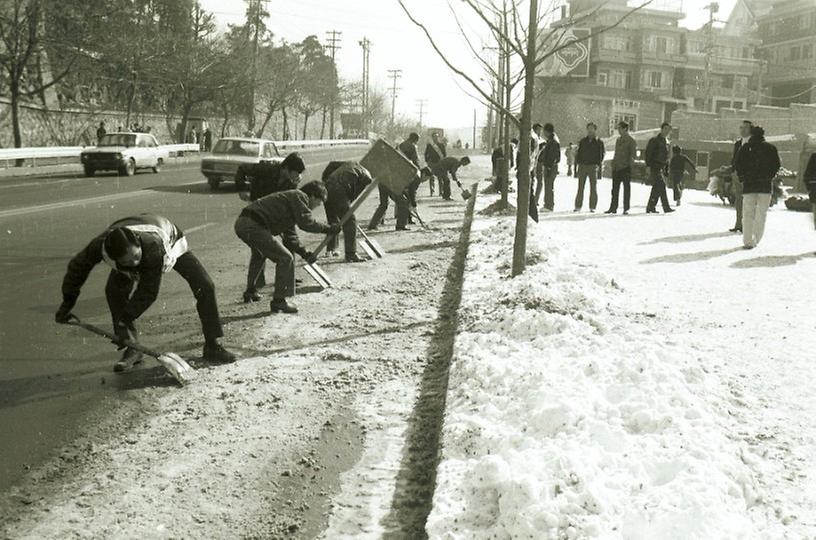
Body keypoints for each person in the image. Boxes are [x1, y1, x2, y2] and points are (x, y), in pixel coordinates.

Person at [55, 214, 236, 371]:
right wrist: (67, 304)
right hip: (136, 239)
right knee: (114, 291)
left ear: (138, 243)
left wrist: (124, 318)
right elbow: (76, 270)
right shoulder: (99, 247)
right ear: (112, 257)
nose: (134, 263)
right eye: (127, 261)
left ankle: (213, 344)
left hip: (171, 241)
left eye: (135, 257)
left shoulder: (152, 247)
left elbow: (148, 292)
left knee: (205, 285)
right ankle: (132, 348)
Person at [234, 182, 340, 314]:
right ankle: (279, 301)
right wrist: (329, 228)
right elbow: (306, 223)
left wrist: (305, 253)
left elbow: (290, 238)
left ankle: (250, 291)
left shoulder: (292, 203)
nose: (317, 206)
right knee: (285, 258)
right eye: (319, 202)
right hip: (253, 225)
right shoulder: (300, 196)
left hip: (243, 223)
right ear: (312, 196)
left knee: (259, 254)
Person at [240, 152, 306, 302]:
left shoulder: (292, 181)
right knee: (259, 251)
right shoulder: (266, 167)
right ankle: (253, 288)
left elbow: (290, 202)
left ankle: (288, 277)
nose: (297, 177)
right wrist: (242, 188)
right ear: (286, 168)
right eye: (296, 173)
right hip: (259, 210)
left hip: (276, 212)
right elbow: (242, 169)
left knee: (288, 238)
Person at [734, 125, 780, 249]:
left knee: (748, 213)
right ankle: (756, 239)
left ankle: (747, 240)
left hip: (749, 185)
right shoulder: (771, 148)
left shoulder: (745, 148)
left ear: (752, 134)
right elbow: (777, 165)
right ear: (763, 134)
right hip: (765, 186)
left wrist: (743, 177)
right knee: (761, 214)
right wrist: (769, 176)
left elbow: (738, 164)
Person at [322, 161, 372, 262]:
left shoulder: (351, 163)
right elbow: (355, 193)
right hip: (338, 191)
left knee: (333, 221)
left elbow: (331, 165)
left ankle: (331, 249)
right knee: (350, 220)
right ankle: (351, 253)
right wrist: (348, 208)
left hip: (326, 188)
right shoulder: (367, 177)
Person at [606, 121, 637, 215]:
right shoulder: (618, 140)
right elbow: (616, 153)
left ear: (625, 129)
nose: (618, 130)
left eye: (620, 128)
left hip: (625, 168)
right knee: (615, 189)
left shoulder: (631, 141)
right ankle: (613, 207)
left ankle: (626, 208)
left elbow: (633, 155)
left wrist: (629, 167)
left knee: (626, 189)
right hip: (617, 167)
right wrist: (613, 163)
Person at [574, 122, 605, 212]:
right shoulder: (583, 141)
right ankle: (578, 206)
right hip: (583, 166)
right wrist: (578, 165)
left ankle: (592, 206)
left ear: (595, 130)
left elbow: (601, 155)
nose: (590, 131)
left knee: (593, 187)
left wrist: (598, 166)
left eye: (592, 129)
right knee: (580, 187)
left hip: (593, 166)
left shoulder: (599, 142)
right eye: (588, 129)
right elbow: (578, 154)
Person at [645, 122, 675, 214]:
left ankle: (651, 207)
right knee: (661, 186)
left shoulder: (667, 142)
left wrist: (666, 168)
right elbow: (648, 153)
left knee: (656, 187)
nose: (667, 131)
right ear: (661, 129)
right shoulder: (654, 140)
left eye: (669, 130)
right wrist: (648, 166)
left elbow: (667, 157)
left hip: (661, 167)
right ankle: (666, 207)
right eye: (665, 129)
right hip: (654, 165)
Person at [730, 120, 753, 232]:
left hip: (749, 177)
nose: (743, 130)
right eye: (741, 127)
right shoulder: (738, 143)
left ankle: (747, 226)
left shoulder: (755, 143)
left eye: (746, 128)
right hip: (737, 176)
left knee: (748, 202)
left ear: (751, 130)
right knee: (738, 200)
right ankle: (738, 224)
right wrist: (733, 170)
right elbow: (734, 159)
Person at [398, 133, 422, 224]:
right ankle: (408, 219)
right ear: (415, 139)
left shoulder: (401, 145)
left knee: (402, 194)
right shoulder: (413, 147)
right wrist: (418, 171)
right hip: (408, 172)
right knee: (409, 195)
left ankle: (400, 216)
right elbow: (415, 160)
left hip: (399, 171)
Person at [538, 123, 560, 212]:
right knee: (548, 185)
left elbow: (552, 156)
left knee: (548, 185)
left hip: (550, 166)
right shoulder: (552, 140)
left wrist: (549, 167)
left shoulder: (552, 141)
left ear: (547, 131)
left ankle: (549, 205)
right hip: (550, 166)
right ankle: (548, 204)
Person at [424, 132, 446, 196]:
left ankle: (441, 192)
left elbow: (444, 155)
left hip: (439, 163)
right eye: (434, 137)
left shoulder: (441, 145)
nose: (435, 138)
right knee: (431, 178)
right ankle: (432, 191)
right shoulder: (429, 145)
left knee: (440, 178)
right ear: (432, 138)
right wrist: (427, 161)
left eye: (436, 137)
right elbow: (426, 154)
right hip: (431, 163)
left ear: (438, 137)